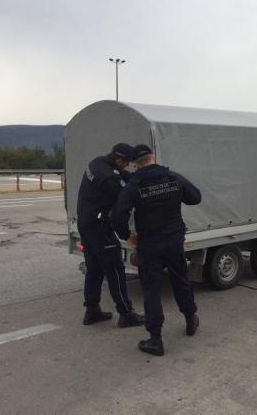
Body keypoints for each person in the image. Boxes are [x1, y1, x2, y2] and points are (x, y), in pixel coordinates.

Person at [113, 144, 201, 356]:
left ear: (135, 164)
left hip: (149, 244)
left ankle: (156, 339)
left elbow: (118, 217)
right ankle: (190, 319)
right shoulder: (173, 177)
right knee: (181, 280)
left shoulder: (134, 185)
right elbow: (195, 197)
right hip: (174, 240)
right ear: (153, 157)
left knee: (152, 290)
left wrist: (128, 236)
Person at [77, 143, 144, 328]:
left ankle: (92, 311)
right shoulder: (109, 179)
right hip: (99, 228)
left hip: (86, 225)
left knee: (94, 269)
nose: (127, 166)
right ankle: (126, 314)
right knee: (115, 270)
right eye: (127, 163)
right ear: (120, 160)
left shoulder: (98, 162)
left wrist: (142, 175)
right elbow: (125, 198)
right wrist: (126, 234)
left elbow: (124, 176)